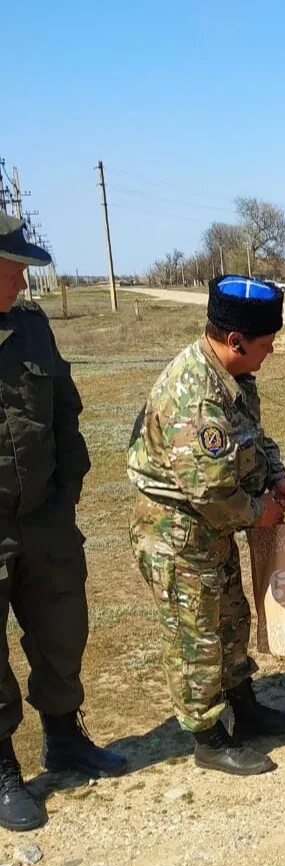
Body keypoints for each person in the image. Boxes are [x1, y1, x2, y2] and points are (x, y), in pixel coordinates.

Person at [128, 275, 285, 778]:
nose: (269, 354)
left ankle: (243, 707)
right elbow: (209, 491)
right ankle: (207, 735)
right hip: (178, 534)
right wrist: (260, 513)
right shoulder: (196, 396)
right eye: (266, 345)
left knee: (230, 615)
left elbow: (255, 437)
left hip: (211, 531)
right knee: (197, 634)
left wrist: (278, 475)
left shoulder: (233, 378)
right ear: (236, 340)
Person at [0, 215, 126, 832]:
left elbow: (66, 410)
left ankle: (65, 739)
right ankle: (3, 770)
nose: (24, 276)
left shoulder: (32, 328)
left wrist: (66, 490)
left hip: (44, 518)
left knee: (62, 630)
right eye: (14, 264)